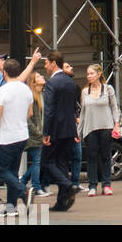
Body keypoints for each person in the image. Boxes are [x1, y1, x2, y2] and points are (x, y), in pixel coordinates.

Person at [0, 58, 32, 214]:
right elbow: (30, 113)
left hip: (7, 137)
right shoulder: (26, 89)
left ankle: (23, 190)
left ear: (4, 72)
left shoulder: (2, 91)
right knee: (12, 171)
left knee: (1, 169)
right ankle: (11, 207)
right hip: (22, 134)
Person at [41, 50, 80, 211]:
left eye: (46, 63)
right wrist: (75, 131)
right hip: (69, 128)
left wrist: (46, 132)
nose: (44, 66)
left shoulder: (51, 83)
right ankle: (62, 201)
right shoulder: (70, 82)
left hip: (56, 129)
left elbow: (49, 110)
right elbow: (73, 108)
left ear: (52, 63)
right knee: (62, 163)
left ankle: (68, 185)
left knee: (47, 161)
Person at [79, 64, 121, 196]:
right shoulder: (85, 91)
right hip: (90, 128)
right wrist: (78, 132)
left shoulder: (108, 89)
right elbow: (83, 113)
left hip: (106, 126)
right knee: (91, 157)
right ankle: (92, 186)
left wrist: (116, 125)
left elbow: (114, 108)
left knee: (105, 156)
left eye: (91, 73)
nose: (89, 76)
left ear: (98, 74)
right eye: (87, 74)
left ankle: (106, 184)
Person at [21, 71, 50, 200]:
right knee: (37, 161)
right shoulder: (31, 97)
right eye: (38, 76)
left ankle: (21, 182)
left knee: (38, 161)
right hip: (34, 135)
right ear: (33, 82)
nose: (42, 76)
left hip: (40, 134)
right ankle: (36, 187)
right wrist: (38, 133)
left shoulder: (41, 95)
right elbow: (28, 119)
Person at [62, 62, 85, 191]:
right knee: (63, 157)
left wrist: (77, 117)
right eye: (67, 66)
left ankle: (75, 182)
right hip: (65, 126)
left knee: (77, 155)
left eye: (70, 66)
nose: (71, 67)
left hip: (74, 124)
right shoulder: (60, 85)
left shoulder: (75, 87)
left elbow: (75, 105)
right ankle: (65, 184)